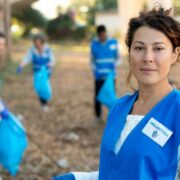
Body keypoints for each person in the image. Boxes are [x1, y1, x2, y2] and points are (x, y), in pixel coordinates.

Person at [52, 6, 180, 180]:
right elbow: (115, 172)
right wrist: (76, 177)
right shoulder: (119, 108)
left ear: (174, 54)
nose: (147, 57)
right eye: (139, 48)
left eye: (158, 49)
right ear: (129, 54)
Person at [17, 34, 55, 111]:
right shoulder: (32, 50)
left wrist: (50, 64)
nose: (38, 45)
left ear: (43, 43)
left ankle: (44, 104)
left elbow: (52, 60)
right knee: (38, 88)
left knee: (44, 87)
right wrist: (21, 65)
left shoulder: (48, 50)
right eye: (36, 44)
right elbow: (27, 58)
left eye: (39, 43)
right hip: (37, 72)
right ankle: (43, 103)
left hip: (46, 72)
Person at [90, 25, 120, 122]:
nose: (101, 37)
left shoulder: (113, 42)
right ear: (98, 35)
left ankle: (112, 117)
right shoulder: (94, 44)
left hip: (110, 77)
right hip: (99, 76)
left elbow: (118, 58)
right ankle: (98, 117)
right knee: (97, 97)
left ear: (105, 33)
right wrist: (94, 70)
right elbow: (92, 60)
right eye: (100, 35)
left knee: (111, 96)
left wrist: (114, 66)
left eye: (103, 35)